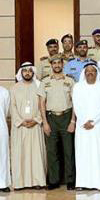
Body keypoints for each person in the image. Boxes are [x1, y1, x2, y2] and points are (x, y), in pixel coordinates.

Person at [38, 54, 76, 190]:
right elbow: (41, 102)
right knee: (52, 151)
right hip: (51, 118)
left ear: (62, 64)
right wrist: (45, 122)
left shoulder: (70, 81)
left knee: (68, 150)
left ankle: (71, 180)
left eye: (59, 63)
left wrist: (73, 121)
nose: (57, 65)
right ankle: (53, 180)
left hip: (66, 117)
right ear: (51, 65)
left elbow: (75, 102)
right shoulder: (45, 82)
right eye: (54, 63)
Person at [72, 62, 100, 191]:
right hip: (82, 127)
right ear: (84, 73)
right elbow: (76, 105)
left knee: (99, 154)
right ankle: (83, 182)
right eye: (87, 71)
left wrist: (93, 121)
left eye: (92, 71)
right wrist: (84, 121)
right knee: (83, 154)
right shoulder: (77, 87)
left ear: (96, 73)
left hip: (99, 126)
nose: (90, 73)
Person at [10, 62, 47, 190]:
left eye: (29, 71)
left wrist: (36, 119)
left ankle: (37, 181)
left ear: (33, 72)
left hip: (35, 126)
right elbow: (12, 107)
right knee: (20, 154)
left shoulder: (39, 86)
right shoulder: (14, 88)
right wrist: (21, 121)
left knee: (36, 154)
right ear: (21, 73)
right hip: (20, 127)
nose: (27, 73)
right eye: (24, 71)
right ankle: (20, 183)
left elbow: (42, 105)